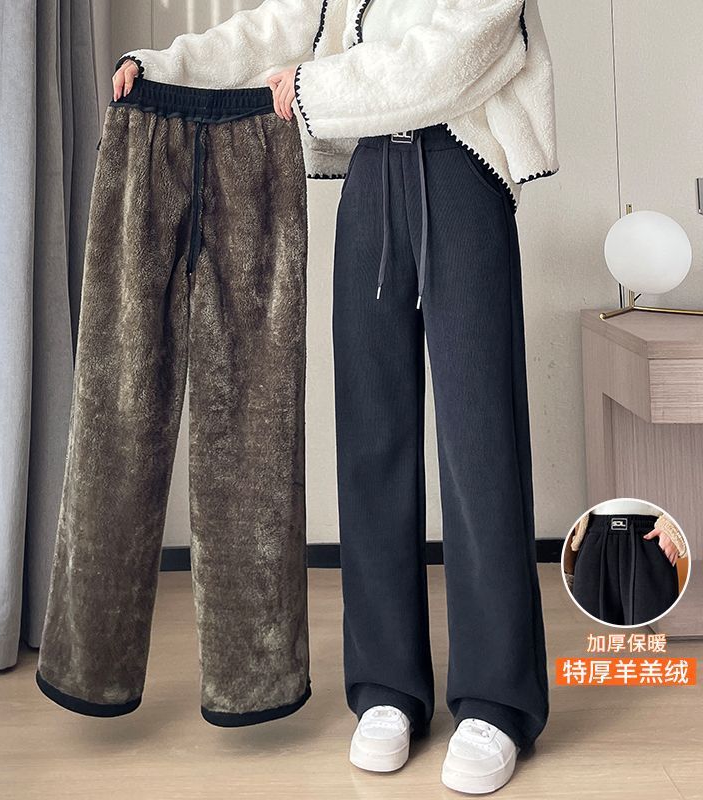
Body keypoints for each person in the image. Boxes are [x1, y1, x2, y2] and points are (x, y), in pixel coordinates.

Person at [112, 0, 558, 793]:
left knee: (481, 444)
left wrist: (317, 88)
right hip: (371, 178)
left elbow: (456, 53)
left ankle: (497, 703)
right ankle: (387, 689)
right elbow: (277, 26)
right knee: (369, 441)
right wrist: (163, 65)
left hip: (464, 169)